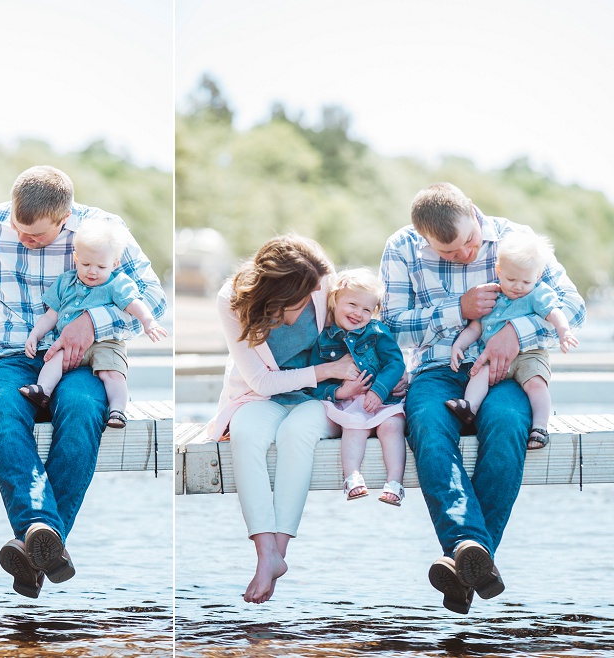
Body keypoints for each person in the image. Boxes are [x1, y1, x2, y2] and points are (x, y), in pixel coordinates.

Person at [0, 165, 166, 599]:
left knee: (84, 411)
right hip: (12, 356)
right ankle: (43, 535)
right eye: (19, 229)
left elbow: (153, 300)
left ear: (65, 220)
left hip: (80, 360)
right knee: (4, 415)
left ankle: (32, 546)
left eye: (38, 235)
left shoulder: (102, 232)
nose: (25, 239)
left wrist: (91, 319)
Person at [380, 182, 585, 614]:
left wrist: (516, 332)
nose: (466, 255)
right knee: (430, 431)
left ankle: (462, 562)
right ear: (425, 240)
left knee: (509, 425)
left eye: (470, 243)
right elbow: (393, 326)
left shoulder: (516, 239)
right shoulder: (402, 249)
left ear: (473, 213)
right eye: (450, 254)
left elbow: (572, 305)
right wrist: (459, 309)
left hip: (503, 372)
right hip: (439, 370)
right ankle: (470, 551)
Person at [207, 234, 367, 605]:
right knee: (246, 434)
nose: (308, 306)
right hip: (261, 394)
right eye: (296, 304)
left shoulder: (319, 280)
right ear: (274, 297)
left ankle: (277, 556)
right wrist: (327, 368)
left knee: (297, 433)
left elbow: (365, 325)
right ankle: (265, 553)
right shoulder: (231, 300)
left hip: (323, 397)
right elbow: (261, 381)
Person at [18, 216, 168, 429]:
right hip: (69, 344)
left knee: (112, 374)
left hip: (106, 343)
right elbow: (51, 315)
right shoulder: (66, 282)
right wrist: (35, 334)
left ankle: (117, 410)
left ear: (114, 264)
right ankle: (43, 390)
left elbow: (134, 304)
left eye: (100, 266)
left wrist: (148, 321)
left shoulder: (117, 283)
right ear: (76, 258)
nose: (92, 271)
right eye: (86, 264)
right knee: (54, 359)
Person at [445, 228, 579, 449]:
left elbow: (555, 312)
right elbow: (476, 327)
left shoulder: (537, 293)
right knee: (479, 372)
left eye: (526, 281)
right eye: (511, 279)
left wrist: (563, 331)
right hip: (496, 359)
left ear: (536, 276)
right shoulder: (493, 297)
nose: (518, 286)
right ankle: (470, 407)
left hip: (529, 355)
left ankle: (540, 427)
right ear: (499, 270)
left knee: (536, 384)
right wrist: (458, 345)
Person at [307, 269, 407, 506]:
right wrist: (340, 393)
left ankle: (395, 482)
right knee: (352, 428)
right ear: (334, 300)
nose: (358, 313)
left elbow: (395, 363)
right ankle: (352, 477)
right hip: (351, 403)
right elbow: (315, 383)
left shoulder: (377, 332)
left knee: (392, 427)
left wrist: (379, 390)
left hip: (385, 401)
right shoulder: (323, 341)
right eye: (352, 304)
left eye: (366, 309)